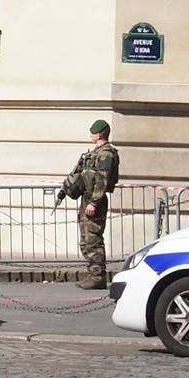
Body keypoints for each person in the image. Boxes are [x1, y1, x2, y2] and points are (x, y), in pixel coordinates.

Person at [58, 119, 120, 288]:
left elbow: (103, 181)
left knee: (93, 238)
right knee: (86, 239)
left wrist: (94, 202)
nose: (91, 135)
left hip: (95, 200)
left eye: (93, 133)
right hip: (87, 198)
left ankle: (98, 276)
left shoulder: (105, 154)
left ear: (99, 134)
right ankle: (93, 273)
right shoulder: (95, 152)